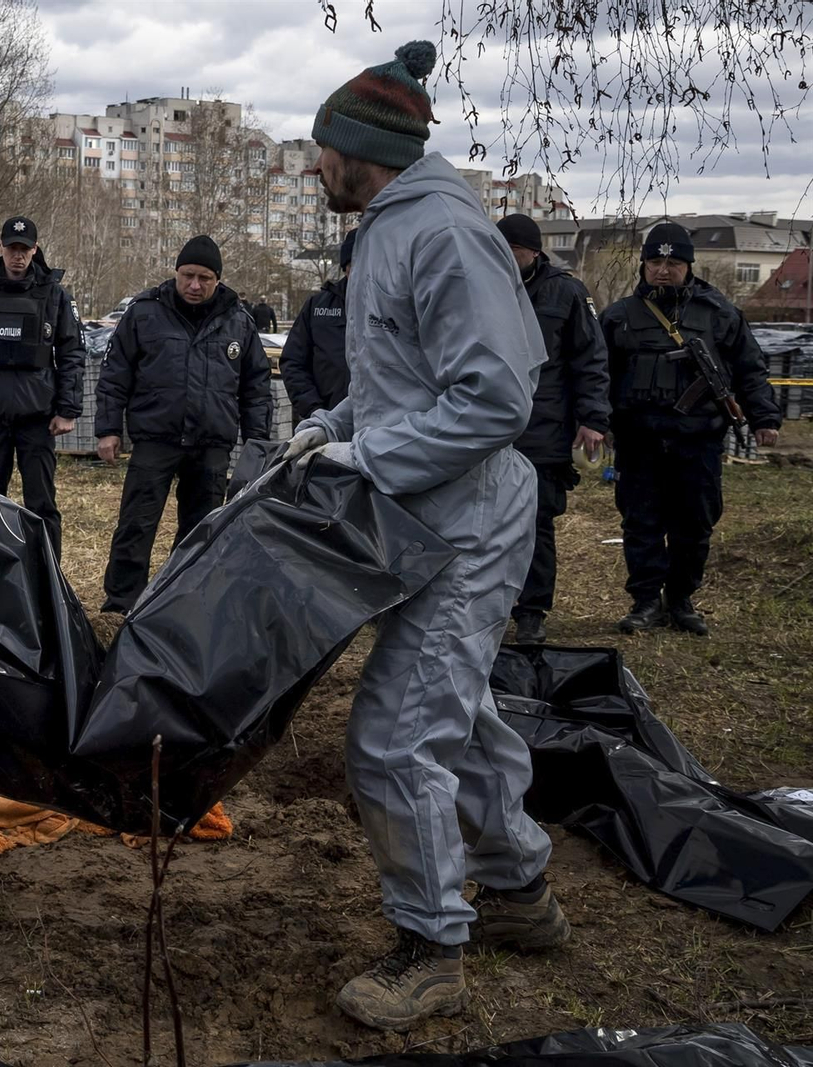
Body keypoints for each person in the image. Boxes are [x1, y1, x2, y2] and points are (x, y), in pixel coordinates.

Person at [287, 40, 569, 1032]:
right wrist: (333, 425)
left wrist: (365, 461)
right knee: (458, 712)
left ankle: (432, 945)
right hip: (423, 516)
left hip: (467, 523)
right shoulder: (388, 228)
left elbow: (492, 396)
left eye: (322, 150)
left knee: (397, 731)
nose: (314, 166)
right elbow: (405, 380)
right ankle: (521, 891)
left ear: (362, 150)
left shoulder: (440, 231)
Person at [600, 222, 781, 636]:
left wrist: (764, 417)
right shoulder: (618, 316)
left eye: (673, 262)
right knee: (641, 523)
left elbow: (750, 369)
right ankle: (645, 601)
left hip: (697, 439)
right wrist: (596, 422)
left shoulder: (719, 314)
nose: (663, 270)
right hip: (640, 438)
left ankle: (680, 599)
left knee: (695, 523)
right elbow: (598, 376)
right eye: (655, 261)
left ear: (689, 266)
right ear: (643, 265)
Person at [95, 234, 272, 613]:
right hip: (155, 438)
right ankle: (121, 603)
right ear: (176, 273)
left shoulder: (238, 322)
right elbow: (115, 374)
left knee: (201, 529)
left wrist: (259, 445)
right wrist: (108, 429)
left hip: (211, 444)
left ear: (217, 280)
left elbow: (256, 387)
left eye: (204, 278)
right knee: (136, 524)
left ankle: (184, 602)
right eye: (188, 275)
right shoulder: (144, 313)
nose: (194, 285)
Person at [494, 214, 612, 644]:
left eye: (514, 252)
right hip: (486, 429)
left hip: (543, 429)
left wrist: (593, 419)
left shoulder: (565, 293)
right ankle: (489, 603)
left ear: (533, 253)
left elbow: (590, 359)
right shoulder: (480, 288)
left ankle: (531, 612)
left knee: (535, 522)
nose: (505, 259)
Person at [0, 216, 84, 559]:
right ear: (1, 247)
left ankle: (49, 577)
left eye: (25, 249)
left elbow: (71, 351)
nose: (18, 256)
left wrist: (67, 409)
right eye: (12, 248)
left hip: (36, 418)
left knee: (41, 502)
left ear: (35, 250)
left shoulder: (54, 296)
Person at [280, 229, 355, 421]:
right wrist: (314, 411)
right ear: (345, 267)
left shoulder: (392, 307)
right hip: (323, 421)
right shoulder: (317, 307)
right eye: (355, 265)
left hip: (377, 428)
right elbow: (293, 362)